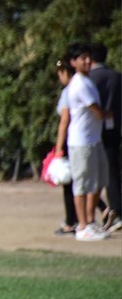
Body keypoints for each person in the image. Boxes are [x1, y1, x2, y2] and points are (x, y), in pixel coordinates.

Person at [57, 44, 110, 242]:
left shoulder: (88, 81)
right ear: (73, 62)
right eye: (82, 58)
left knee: (99, 182)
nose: (87, 61)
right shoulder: (78, 84)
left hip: (93, 140)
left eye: (88, 57)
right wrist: (109, 115)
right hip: (81, 143)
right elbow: (97, 111)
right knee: (81, 185)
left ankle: (89, 221)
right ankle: (81, 226)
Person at [86, 42, 122, 233]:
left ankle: (107, 210)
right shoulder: (117, 77)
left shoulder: (89, 79)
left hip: (93, 131)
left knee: (92, 174)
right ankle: (116, 208)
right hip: (115, 128)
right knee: (113, 170)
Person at [51, 59, 78, 237]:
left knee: (69, 182)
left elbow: (64, 122)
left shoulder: (69, 91)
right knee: (79, 181)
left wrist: (58, 148)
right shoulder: (83, 87)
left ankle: (71, 221)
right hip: (82, 140)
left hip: (71, 142)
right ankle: (105, 211)